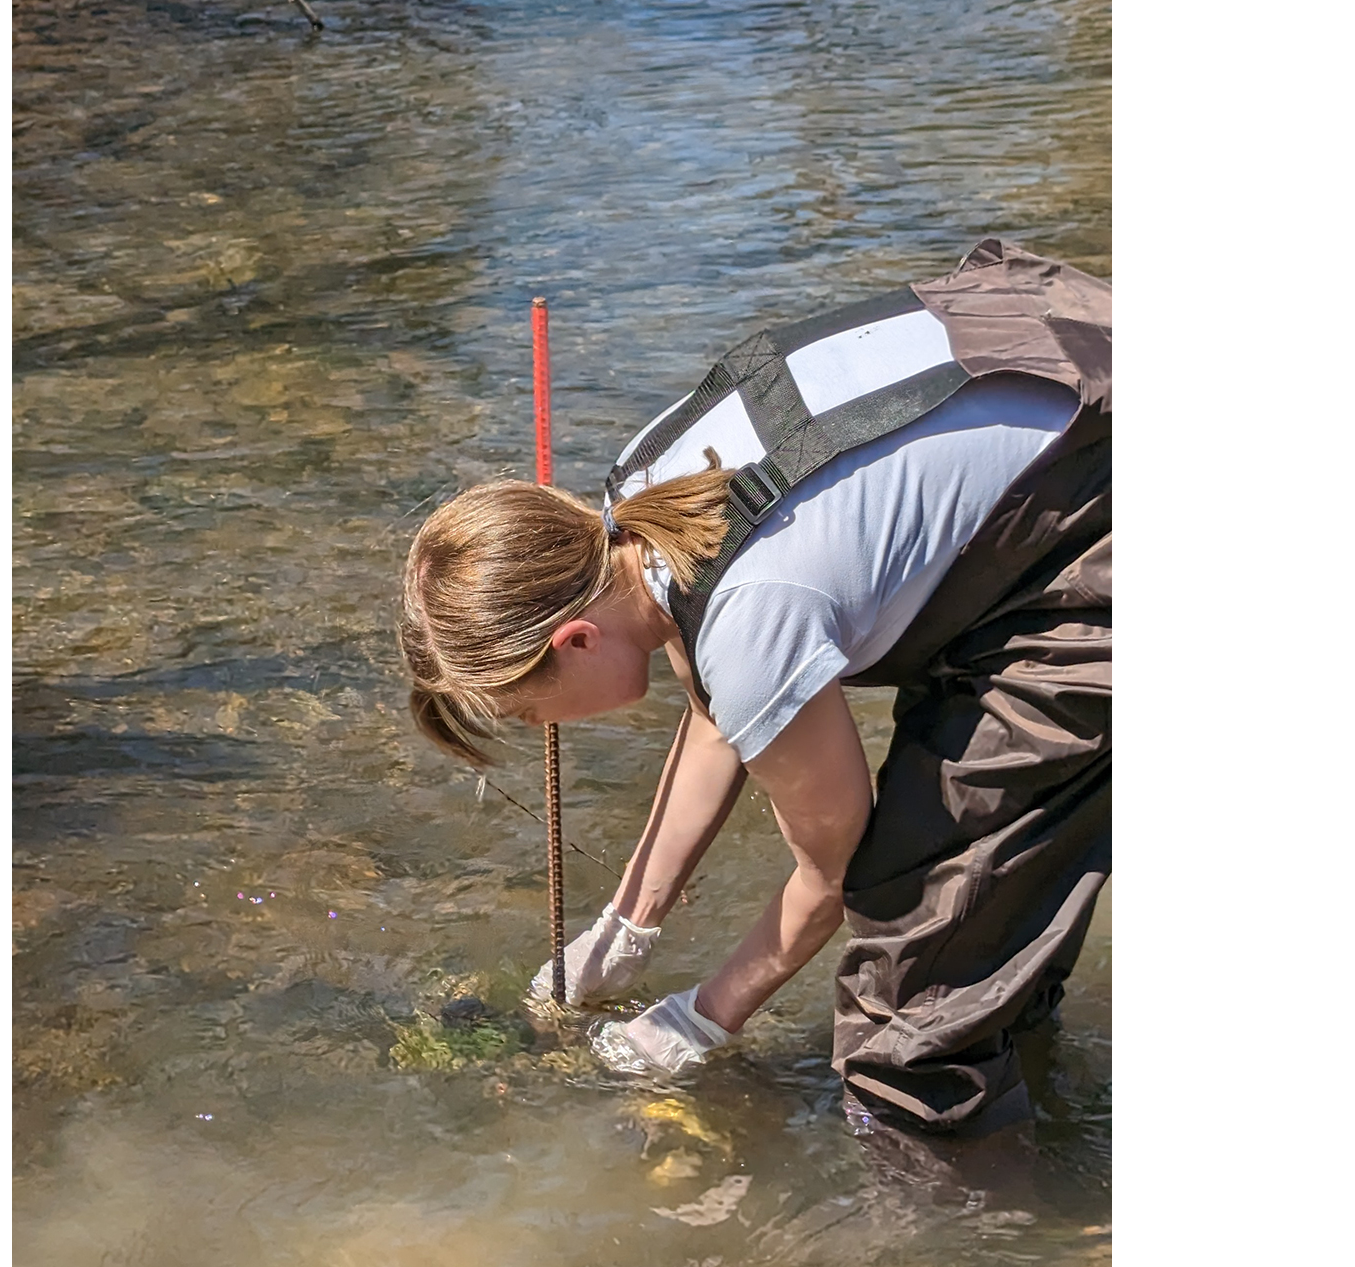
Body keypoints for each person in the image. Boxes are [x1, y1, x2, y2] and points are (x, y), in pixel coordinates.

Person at [399, 240, 1110, 1135]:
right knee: (980, 916)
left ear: (572, 639)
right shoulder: (640, 487)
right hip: (1056, 346)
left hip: (1096, 511)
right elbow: (718, 709)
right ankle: (1029, 1053)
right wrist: (629, 924)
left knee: (908, 973)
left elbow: (829, 874)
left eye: (525, 708)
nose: (542, 726)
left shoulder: (749, 621)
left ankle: (958, 1210)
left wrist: (705, 1013)